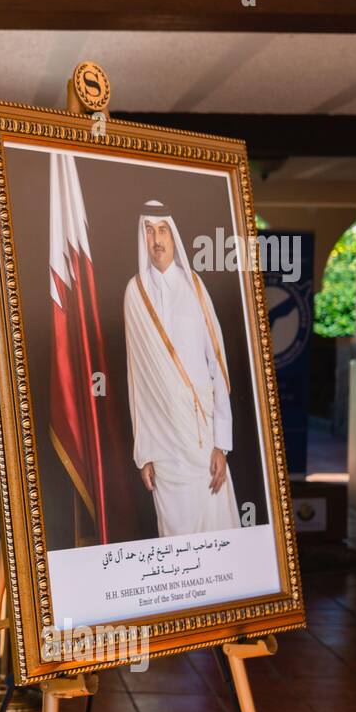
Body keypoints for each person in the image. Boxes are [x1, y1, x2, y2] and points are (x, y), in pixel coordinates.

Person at [123, 200, 239, 537]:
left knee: (216, 530)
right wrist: (143, 453)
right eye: (149, 231)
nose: (156, 239)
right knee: (175, 538)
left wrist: (222, 443)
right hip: (163, 445)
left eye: (162, 230)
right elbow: (137, 381)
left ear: (173, 235)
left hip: (202, 438)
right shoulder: (135, 293)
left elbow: (218, 368)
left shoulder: (195, 289)